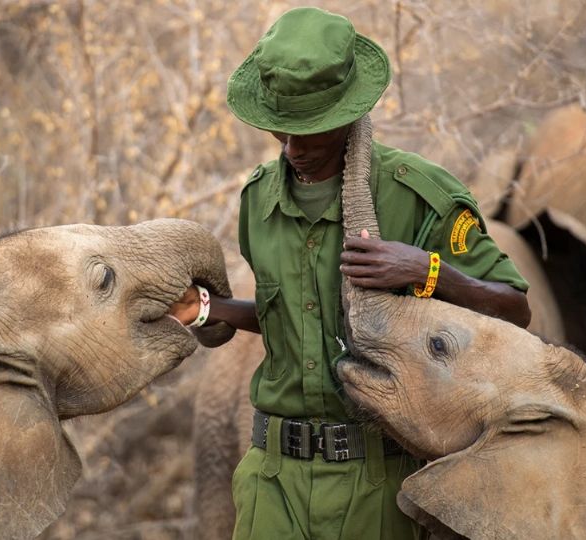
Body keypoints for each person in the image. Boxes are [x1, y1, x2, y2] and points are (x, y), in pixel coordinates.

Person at [168, 7, 530, 539]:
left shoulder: (417, 196)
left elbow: (515, 309)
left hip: (381, 481)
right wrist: (205, 310)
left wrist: (427, 271)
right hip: (274, 479)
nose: (292, 150)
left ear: (345, 113)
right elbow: (290, 323)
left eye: (308, 132)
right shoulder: (259, 199)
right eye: (282, 131)